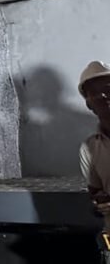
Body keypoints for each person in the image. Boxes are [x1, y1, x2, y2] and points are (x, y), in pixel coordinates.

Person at [78, 60, 110, 263]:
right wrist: (99, 204)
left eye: (108, 88)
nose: (104, 96)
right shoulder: (88, 148)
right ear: (89, 103)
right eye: (95, 93)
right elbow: (95, 193)